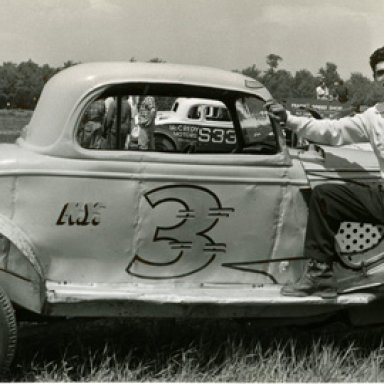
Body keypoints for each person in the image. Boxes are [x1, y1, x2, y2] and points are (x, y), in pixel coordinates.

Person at [267, 45, 384, 298]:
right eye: (380, 72)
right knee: (324, 198)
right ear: (375, 78)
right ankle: (320, 275)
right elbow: (331, 130)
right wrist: (288, 119)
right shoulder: (373, 117)